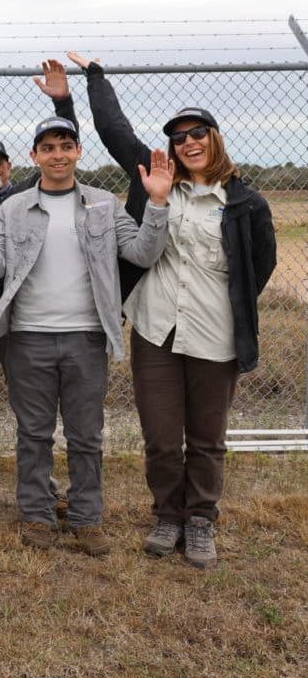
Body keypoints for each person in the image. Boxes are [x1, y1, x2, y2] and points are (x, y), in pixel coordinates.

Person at [70, 51, 277, 568]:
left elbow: (260, 267)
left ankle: (201, 520)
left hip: (215, 333)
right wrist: (94, 76)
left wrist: (224, 305)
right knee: (162, 437)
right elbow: (115, 131)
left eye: (198, 134)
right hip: (156, 330)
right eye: (180, 137)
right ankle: (167, 515)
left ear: (214, 138)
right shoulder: (154, 183)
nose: (189, 143)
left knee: (207, 438)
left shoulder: (245, 203)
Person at [0, 116, 172, 556]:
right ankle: (36, 515)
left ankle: (86, 517)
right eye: (48, 147)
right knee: (34, 433)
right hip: (28, 338)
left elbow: (142, 252)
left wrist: (157, 203)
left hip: (86, 338)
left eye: (66, 145)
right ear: (35, 156)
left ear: (78, 153)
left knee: (86, 434)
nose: (58, 154)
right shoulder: (15, 207)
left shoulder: (103, 204)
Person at [0, 58, 80, 508]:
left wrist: (62, 103)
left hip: (21, 314)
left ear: (10, 166)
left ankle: (45, 486)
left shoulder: (27, 197)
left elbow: (60, 153)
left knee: (33, 405)